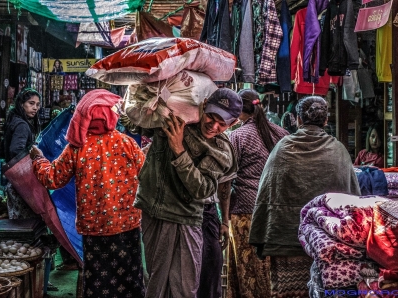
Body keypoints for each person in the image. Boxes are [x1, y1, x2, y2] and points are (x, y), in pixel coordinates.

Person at [29, 89, 146, 298]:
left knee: (98, 284)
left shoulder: (77, 148)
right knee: (129, 282)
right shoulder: (128, 144)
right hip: (127, 226)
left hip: (94, 230)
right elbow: (146, 174)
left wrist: (38, 159)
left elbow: (52, 178)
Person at [134, 88, 242, 298]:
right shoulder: (176, 120)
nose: (214, 125)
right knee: (155, 283)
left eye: (222, 123)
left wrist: (178, 150)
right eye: (211, 116)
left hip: (185, 218)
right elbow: (138, 123)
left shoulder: (221, 150)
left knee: (183, 287)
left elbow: (202, 189)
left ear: (233, 124)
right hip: (152, 211)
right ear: (203, 106)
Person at [249, 96, 361, 297]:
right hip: (326, 246)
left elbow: (266, 191)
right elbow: (352, 198)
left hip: (286, 242)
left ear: (297, 120)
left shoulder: (283, 148)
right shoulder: (338, 151)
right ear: (326, 121)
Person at [227, 89, 289, 298]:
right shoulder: (282, 134)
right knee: (274, 269)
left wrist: (224, 212)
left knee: (248, 271)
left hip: (246, 212)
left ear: (238, 111)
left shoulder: (236, 137)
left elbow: (226, 180)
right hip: (277, 212)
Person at [1, 88, 41, 219]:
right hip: (21, 182)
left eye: (37, 104)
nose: (35, 108)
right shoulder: (22, 125)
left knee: (17, 222)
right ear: (21, 104)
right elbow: (15, 150)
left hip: (13, 180)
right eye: (31, 103)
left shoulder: (14, 121)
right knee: (24, 224)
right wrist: (35, 155)